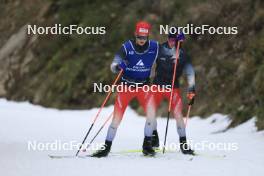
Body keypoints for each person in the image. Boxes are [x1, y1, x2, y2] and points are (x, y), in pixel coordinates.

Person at [92, 21, 159, 157]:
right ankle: (106, 147)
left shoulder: (155, 47)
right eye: (139, 37)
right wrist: (118, 66)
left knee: (152, 114)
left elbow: (172, 51)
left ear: (148, 36)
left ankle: (147, 145)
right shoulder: (126, 47)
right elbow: (113, 66)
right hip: (126, 86)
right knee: (116, 119)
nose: (141, 40)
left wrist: (176, 40)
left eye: (144, 38)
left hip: (144, 86)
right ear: (135, 34)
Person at [147, 32, 196, 155]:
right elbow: (147, 61)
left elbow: (190, 73)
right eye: (170, 39)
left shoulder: (183, 55)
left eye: (175, 40)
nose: (172, 42)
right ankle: (154, 137)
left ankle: (183, 144)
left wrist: (191, 88)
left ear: (180, 42)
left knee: (178, 115)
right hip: (157, 86)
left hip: (173, 88)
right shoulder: (160, 49)